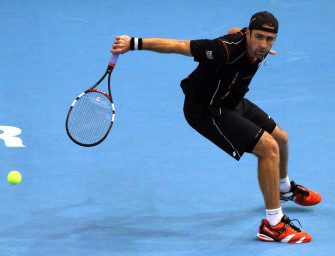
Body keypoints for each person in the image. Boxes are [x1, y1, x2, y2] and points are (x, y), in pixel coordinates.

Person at [111, 11, 321, 243]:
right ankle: (273, 225)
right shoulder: (222, 50)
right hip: (206, 110)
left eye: (269, 39)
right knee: (269, 149)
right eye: (259, 37)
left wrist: (251, 39)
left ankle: (283, 188)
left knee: (281, 138)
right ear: (249, 34)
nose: (263, 44)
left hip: (231, 98)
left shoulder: (250, 40)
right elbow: (179, 46)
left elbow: (236, 31)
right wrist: (133, 43)